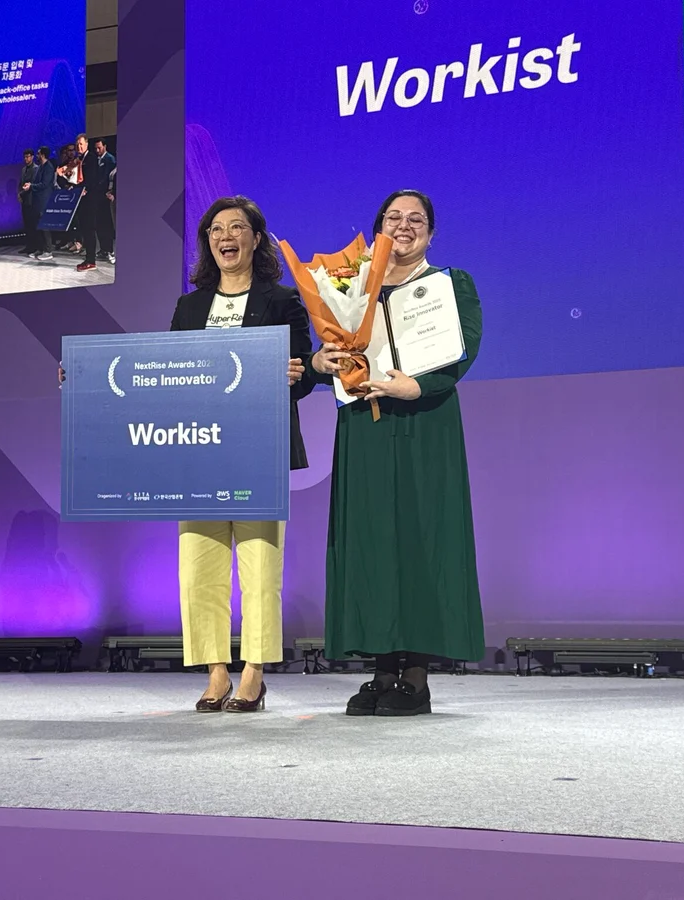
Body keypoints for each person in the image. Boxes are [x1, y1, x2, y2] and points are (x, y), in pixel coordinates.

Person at [308, 189, 484, 717]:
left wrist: (419, 386)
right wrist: (324, 361)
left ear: (431, 231)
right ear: (379, 227)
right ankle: (382, 670)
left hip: (424, 422)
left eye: (416, 219)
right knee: (371, 541)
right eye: (393, 218)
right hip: (364, 424)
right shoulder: (350, 287)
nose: (404, 226)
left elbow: (464, 347)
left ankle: (417, 676)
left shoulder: (450, 284)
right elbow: (331, 350)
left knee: (422, 538)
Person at [170, 196, 313, 712]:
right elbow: (165, 377)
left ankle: (253, 671)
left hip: (258, 447)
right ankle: (215, 671)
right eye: (214, 229)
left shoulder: (281, 301)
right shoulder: (189, 307)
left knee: (259, 565)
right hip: (198, 450)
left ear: (256, 238)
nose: (225, 235)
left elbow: (307, 372)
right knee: (198, 566)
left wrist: (299, 374)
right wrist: (86, 380)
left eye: (237, 227)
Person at [74, 134, 103, 273]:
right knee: (85, 229)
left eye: (81, 144)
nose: (79, 146)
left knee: (90, 230)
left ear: (86, 144)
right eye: (77, 144)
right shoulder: (79, 159)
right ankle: (88, 258)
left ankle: (91, 261)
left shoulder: (90, 158)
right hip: (82, 200)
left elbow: (92, 178)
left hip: (90, 199)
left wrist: (85, 189)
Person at [27, 146, 57, 261]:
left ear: (43, 155)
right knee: (38, 225)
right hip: (38, 200)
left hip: (44, 200)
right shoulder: (40, 167)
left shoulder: (48, 167)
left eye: (39, 154)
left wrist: (32, 186)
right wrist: (30, 185)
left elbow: (44, 184)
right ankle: (41, 248)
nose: (37, 156)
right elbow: (37, 182)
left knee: (44, 226)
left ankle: (48, 250)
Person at [94, 139, 116, 264]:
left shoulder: (110, 159)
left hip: (106, 196)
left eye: (100, 148)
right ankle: (103, 249)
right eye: (96, 148)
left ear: (105, 146)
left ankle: (109, 250)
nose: (98, 150)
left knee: (107, 224)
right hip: (98, 197)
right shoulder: (97, 160)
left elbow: (107, 178)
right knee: (99, 224)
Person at [18, 149, 39, 254]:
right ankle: (29, 245)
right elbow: (20, 183)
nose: (26, 159)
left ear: (32, 157)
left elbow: (34, 183)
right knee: (26, 224)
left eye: (28, 156)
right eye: (25, 157)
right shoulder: (23, 169)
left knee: (33, 224)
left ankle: (35, 246)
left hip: (32, 199)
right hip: (24, 200)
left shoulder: (36, 169)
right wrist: (19, 194)